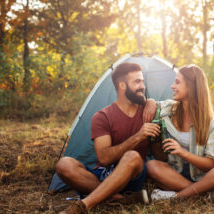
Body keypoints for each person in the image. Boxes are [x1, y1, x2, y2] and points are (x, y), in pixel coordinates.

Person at [56, 62, 162, 214]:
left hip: (132, 176)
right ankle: (118, 199)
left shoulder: (148, 112)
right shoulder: (102, 116)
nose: (142, 86)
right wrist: (138, 136)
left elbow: (160, 156)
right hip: (104, 174)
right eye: (137, 81)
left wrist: (156, 134)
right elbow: (104, 158)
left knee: (132, 156)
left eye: (142, 81)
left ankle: (83, 205)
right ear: (122, 85)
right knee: (63, 164)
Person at [146, 65, 214, 201]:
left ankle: (177, 196)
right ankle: (206, 194)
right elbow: (153, 104)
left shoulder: (211, 123)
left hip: (205, 175)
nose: (172, 86)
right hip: (176, 173)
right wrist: (149, 102)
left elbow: (211, 164)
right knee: (151, 165)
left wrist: (182, 152)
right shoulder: (169, 108)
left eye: (177, 82)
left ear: (192, 86)